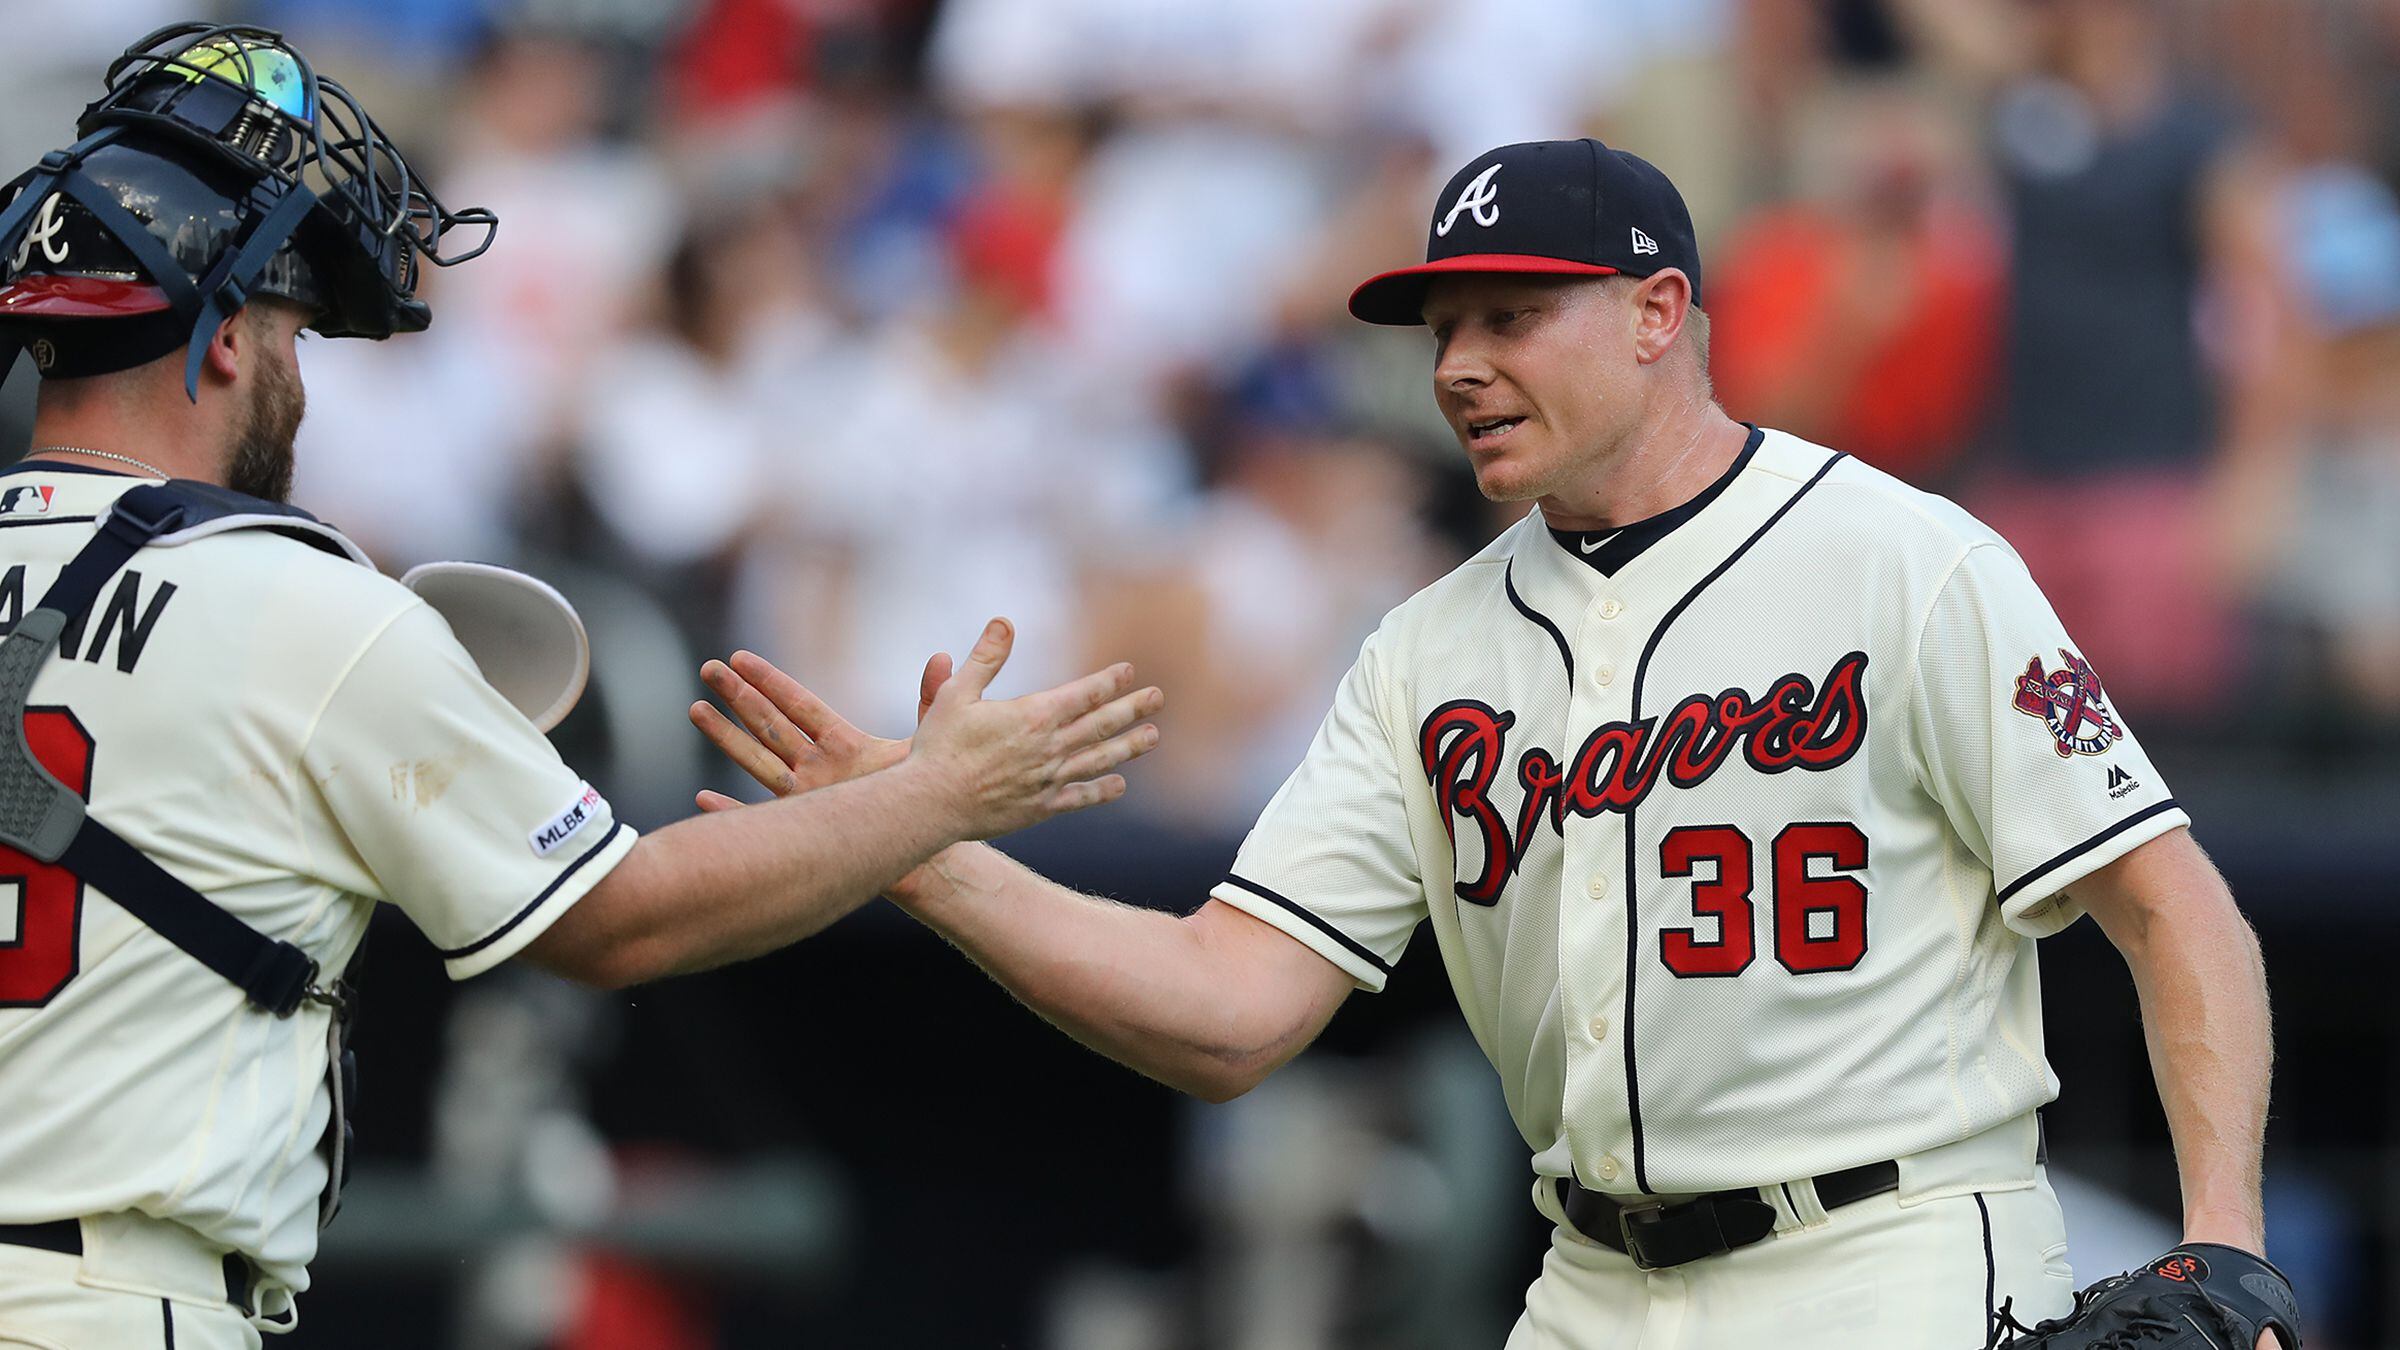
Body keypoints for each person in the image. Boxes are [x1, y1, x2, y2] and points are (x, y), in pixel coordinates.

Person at [701, 138, 2290, 1348]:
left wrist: (2221, 1230)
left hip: (1888, 1261)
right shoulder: (1426, 648)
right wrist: (917, 852)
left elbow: (2172, 903)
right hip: (1588, 1285)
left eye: (1514, 315)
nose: (1461, 362)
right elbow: (1229, 1006)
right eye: (1444, 324)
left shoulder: (1906, 561)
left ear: (1661, 313)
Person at [0, 25, 1161, 1350]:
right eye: (293, 330)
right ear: (222, 340)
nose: (298, 374)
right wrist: (939, 794)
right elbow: (617, 919)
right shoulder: (303, 602)